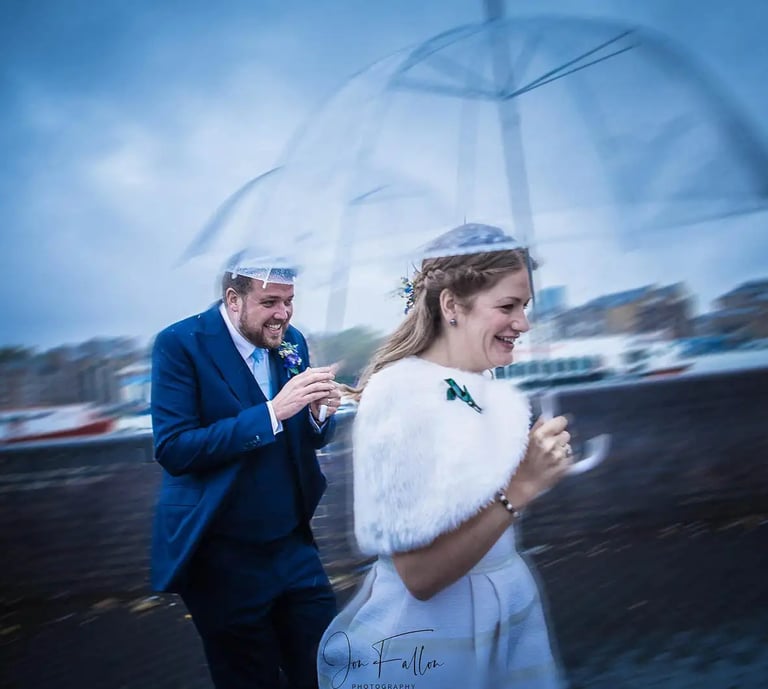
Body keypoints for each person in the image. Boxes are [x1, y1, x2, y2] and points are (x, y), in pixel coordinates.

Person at [317, 224, 573, 689]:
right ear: (452, 305)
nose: (524, 323)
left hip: (502, 619)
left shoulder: (482, 388)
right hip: (436, 641)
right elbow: (420, 574)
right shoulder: (401, 396)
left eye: (525, 306)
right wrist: (524, 485)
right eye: (508, 306)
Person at [150, 256, 343, 689]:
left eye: (289, 301)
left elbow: (307, 437)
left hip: (293, 547)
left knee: (328, 667)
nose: (284, 315)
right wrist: (273, 412)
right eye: (271, 302)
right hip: (220, 557)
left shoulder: (292, 341)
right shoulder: (179, 344)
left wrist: (316, 416)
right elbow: (174, 448)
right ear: (233, 299)